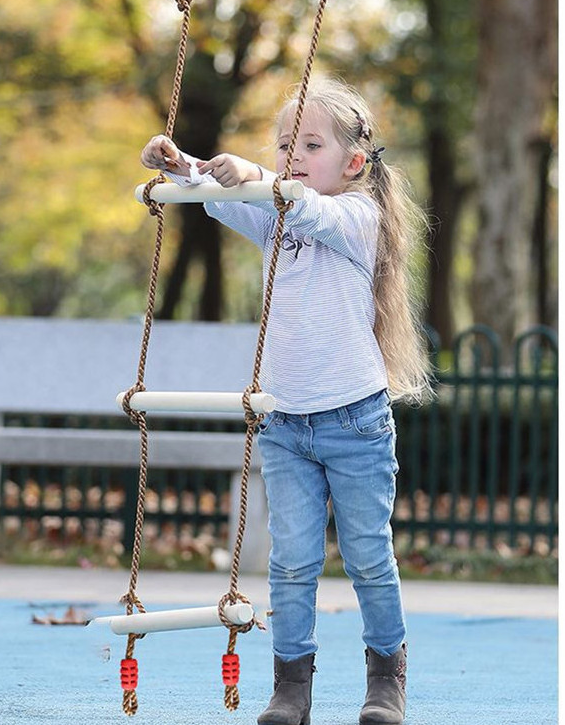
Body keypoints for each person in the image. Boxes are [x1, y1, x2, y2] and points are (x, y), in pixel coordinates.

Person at [140, 77, 432, 725]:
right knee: (292, 560)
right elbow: (226, 200)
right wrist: (186, 167)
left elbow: (307, 209)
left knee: (366, 556)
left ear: (353, 162)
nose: (291, 153)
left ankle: (386, 676)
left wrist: (259, 178)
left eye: (310, 143)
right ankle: (291, 687)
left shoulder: (358, 218)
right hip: (284, 424)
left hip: (353, 422)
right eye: (282, 144)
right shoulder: (279, 220)